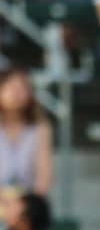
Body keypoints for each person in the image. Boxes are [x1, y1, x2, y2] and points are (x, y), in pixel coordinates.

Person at [0, 70, 53, 198]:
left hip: (27, 203)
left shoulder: (40, 128)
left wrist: (24, 205)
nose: (16, 94)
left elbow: (44, 177)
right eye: (11, 87)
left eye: (21, 88)